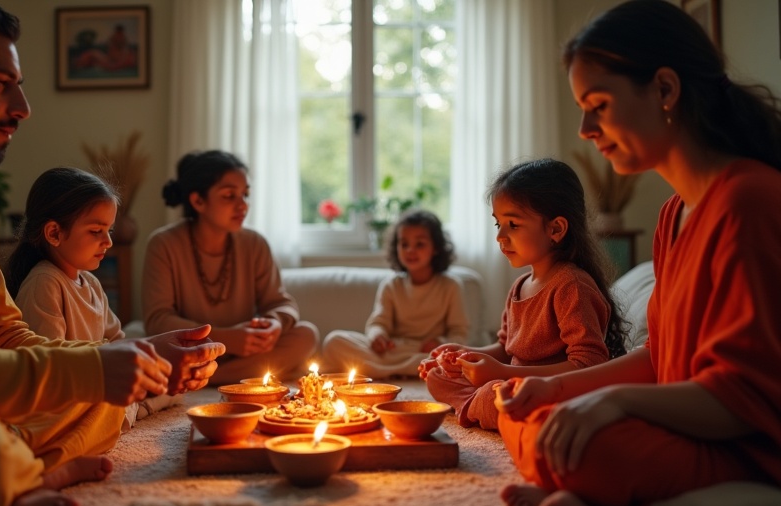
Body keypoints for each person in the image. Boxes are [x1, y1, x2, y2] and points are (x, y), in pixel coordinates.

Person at [0, 2, 224, 506]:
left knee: (102, 398)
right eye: (0, 83)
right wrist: (93, 370)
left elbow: (5, 335)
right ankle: (18, 474)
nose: (22, 106)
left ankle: (24, 477)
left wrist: (133, 357)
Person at [494, 1, 781, 506]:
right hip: (685, 427)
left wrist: (611, 400)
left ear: (665, 90)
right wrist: (553, 387)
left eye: (598, 104)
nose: (584, 128)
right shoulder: (673, 215)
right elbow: (660, 360)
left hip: (745, 445)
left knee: (586, 445)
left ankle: (584, 490)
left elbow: (743, 400)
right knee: (524, 411)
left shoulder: (749, 201)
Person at [420, 159, 627, 431]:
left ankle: (482, 406)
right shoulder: (519, 286)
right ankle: (481, 405)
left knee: (494, 392)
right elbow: (505, 350)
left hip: (553, 393)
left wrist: (503, 374)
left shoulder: (571, 286)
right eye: (498, 225)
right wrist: (464, 355)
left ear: (555, 229)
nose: (500, 236)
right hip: (511, 384)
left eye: (513, 225)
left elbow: (587, 366)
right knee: (439, 376)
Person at [6, 167, 180, 432]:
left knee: (170, 383)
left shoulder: (92, 284)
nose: (108, 242)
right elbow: (49, 368)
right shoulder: (44, 282)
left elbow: (117, 341)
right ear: (54, 233)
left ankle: (134, 407)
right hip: (69, 392)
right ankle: (136, 410)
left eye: (108, 230)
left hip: (99, 381)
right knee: (95, 408)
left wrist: (144, 366)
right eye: (96, 231)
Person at [143, 149, 318, 384]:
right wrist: (226, 338)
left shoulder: (254, 243)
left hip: (246, 353)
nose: (242, 206)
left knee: (306, 335)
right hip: (193, 352)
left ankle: (204, 379)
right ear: (198, 201)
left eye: (245, 195)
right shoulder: (163, 244)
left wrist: (275, 323)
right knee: (148, 349)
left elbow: (281, 303)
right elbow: (158, 321)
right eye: (229, 196)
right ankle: (229, 376)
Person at [320, 209, 469, 378]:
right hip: (392, 351)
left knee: (445, 360)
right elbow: (378, 322)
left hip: (425, 354)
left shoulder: (450, 286)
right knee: (335, 341)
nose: (410, 250)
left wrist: (440, 344)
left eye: (419, 244)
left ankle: (383, 372)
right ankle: (403, 372)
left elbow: (459, 332)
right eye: (404, 244)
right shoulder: (391, 285)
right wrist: (378, 336)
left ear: (436, 248)